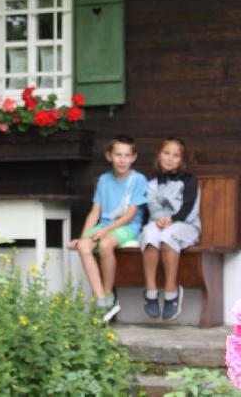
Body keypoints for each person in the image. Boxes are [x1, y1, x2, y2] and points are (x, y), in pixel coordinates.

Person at [67, 134, 148, 322]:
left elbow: (130, 215)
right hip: (104, 226)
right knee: (83, 246)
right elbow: (95, 211)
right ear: (109, 156)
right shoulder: (104, 180)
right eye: (118, 155)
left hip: (128, 227)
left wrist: (105, 231)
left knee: (105, 245)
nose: (123, 160)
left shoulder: (138, 180)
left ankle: (108, 292)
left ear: (134, 158)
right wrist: (83, 237)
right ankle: (101, 299)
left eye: (127, 156)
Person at [140, 137, 201, 322]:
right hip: (159, 223)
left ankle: (171, 291)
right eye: (167, 153)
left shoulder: (189, 181)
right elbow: (151, 209)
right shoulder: (152, 184)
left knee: (167, 237)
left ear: (181, 160)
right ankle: (150, 291)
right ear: (159, 155)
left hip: (185, 225)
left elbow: (189, 207)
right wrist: (158, 220)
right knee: (150, 235)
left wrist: (173, 219)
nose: (170, 158)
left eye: (175, 155)